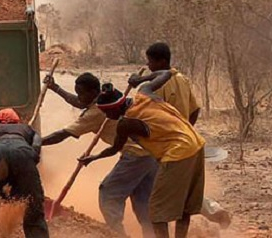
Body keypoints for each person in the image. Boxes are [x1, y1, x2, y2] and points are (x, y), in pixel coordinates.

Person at [80, 71, 206, 238]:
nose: (108, 117)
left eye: (108, 113)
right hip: (196, 143)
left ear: (114, 109)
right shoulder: (144, 92)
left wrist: (93, 158)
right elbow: (167, 73)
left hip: (177, 154)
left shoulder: (125, 124)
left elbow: (115, 147)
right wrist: (141, 79)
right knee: (184, 207)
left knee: (156, 210)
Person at [43, 73, 157, 238]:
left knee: (108, 193)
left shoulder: (96, 112)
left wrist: (36, 141)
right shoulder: (107, 95)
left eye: (82, 93)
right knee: (142, 202)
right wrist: (56, 88)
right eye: (78, 93)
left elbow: (62, 134)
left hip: (135, 156)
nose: (80, 97)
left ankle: (117, 234)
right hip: (149, 154)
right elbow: (80, 102)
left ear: (94, 91)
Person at [141, 42, 231, 228]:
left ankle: (212, 213)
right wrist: (186, 130)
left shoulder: (156, 86)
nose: (148, 66)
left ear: (162, 61)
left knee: (166, 188)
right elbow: (195, 109)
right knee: (184, 187)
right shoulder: (182, 78)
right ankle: (214, 211)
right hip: (186, 141)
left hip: (169, 145)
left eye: (150, 62)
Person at [0, 108, 48, 238]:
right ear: (17, 121)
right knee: (34, 214)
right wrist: (28, 165)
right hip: (23, 153)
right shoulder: (28, 129)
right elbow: (37, 146)